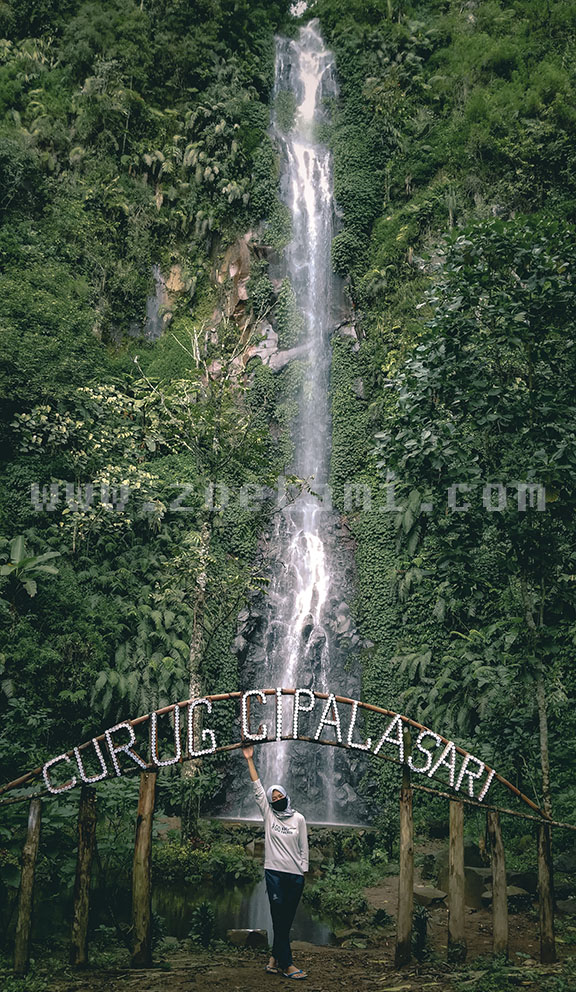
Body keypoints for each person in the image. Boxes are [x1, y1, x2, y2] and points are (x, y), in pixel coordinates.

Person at [242, 743, 309, 980]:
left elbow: (304, 848)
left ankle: (273, 958)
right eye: (274, 797)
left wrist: (303, 871)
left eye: (280, 795)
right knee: (279, 917)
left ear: (286, 796)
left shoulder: (299, 818)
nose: (277, 798)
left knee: (284, 920)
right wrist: (250, 759)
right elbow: (258, 789)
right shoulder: (268, 814)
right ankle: (287, 964)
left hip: (295, 876)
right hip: (274, 873)